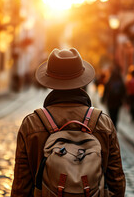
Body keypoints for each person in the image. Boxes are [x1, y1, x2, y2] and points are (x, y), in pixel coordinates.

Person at [11, 48, 126, 196]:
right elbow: (116, 182)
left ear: (50, 80)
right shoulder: (103, 123)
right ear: (81, 79)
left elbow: (21, 186)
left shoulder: (32, 124)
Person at [102, 64, 126, 129]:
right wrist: (125, 100)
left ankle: (112, 126)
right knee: (116, 114)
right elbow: (123, 91)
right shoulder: (120, 80)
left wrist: (103, 99)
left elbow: (105, 91)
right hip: (118, 101)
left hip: (110, 101)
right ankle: (115, 126)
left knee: (111, 114)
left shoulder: (109, 80)